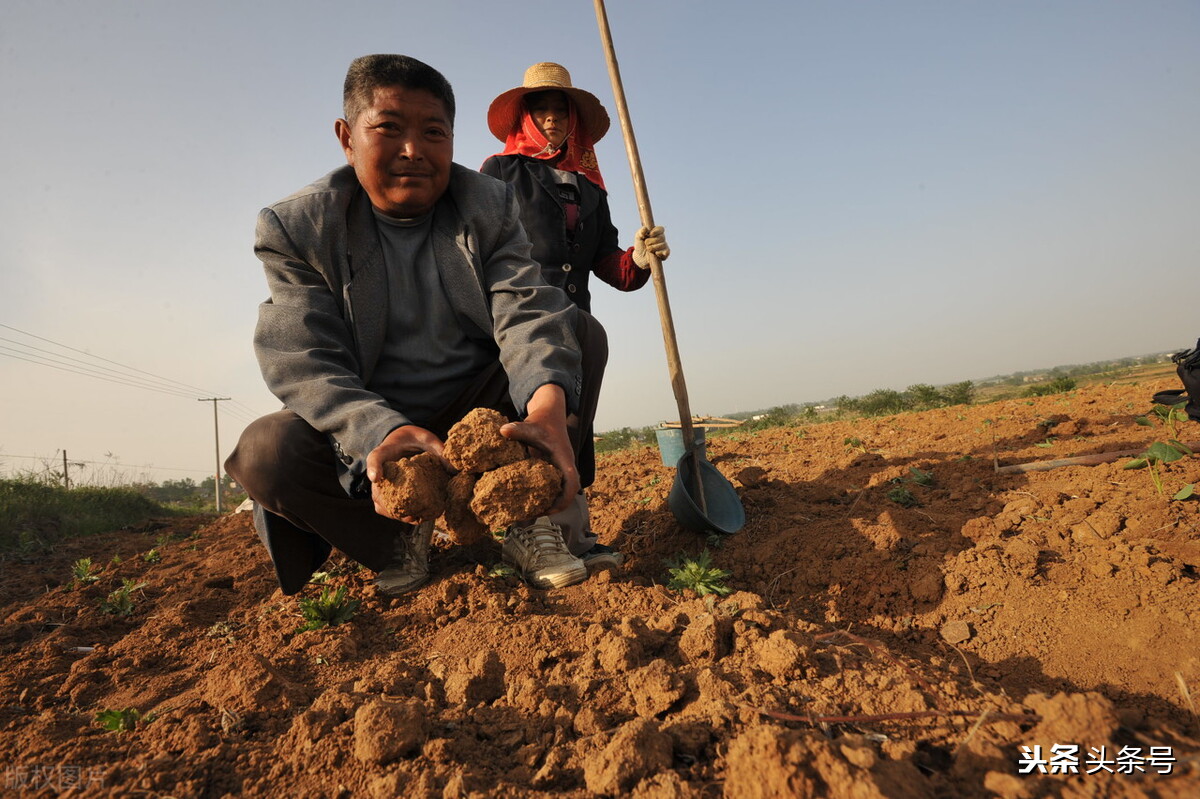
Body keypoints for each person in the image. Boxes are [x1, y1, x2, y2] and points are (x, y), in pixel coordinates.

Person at [225, 54, 611, 597]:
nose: (413, 151)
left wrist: (548, 405)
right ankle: (398, 538)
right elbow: (303, 356)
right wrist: (380, 430)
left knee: (577, 331)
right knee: (266, 449)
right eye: (389, 128)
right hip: (377, 412)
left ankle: (535, 519)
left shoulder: (488, 203)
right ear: (346, 137)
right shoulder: (298, 226)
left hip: (479, 404)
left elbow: (527, 307)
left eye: (433, 132)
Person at [480, 62, 672, 571]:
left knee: (573, 425)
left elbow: (614, 269)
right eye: (540, 109)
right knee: (526, 422)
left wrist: (640, 256)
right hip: (513, 322)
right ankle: (531, 533)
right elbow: (473, 247)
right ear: (525, 117)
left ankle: (573, 536)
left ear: (574, 122)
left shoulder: (591, 190)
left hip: (576, 328)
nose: (551, 119)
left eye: (560, 110)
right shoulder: (499, 174)